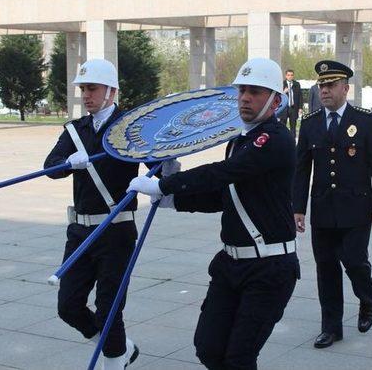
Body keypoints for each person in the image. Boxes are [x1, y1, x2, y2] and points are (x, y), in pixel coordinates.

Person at [128, 58, 299, 370]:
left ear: (276, 100)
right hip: (230, 265)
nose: (246, 97)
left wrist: (166, 185)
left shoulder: (275, 140)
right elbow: (227, 195)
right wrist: (173, 200)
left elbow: (224, 173)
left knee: (238, 358)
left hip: (269, 269)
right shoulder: (240, 141)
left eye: (256, 92)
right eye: (242, 90)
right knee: (208, 348)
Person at [44, 59, 140, 370]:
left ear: (112, 91)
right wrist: (68, 162)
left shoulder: (129, 128)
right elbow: (50, 167)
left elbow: (153, 159)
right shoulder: (75, 131)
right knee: (68, 305)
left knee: (109, 306)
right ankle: (120, 347)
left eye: (92, 88)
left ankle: (114, 360)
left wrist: (164, 169)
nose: (86, 95)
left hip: (115, 231)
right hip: (81, 232)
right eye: (83, 89)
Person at [293, 60, 372, 349]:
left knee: (354, 261)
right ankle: (331, 327)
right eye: (321, 85)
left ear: (345, 88)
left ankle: (367, 298)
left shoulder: (365, 121)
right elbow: (302, 169)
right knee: (326, 268)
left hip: (356, 208)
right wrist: (297, 208)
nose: (324, 90)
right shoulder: (311, 123)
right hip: (323, 210)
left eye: (330, 85)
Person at [279, 69, 303, 139]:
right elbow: (277, 96)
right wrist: (284, 92)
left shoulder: (296, 84)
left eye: (291, 75)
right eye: (288, 75)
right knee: (282, 126)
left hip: (293, 108)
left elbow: (300, 96)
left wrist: (300, 107)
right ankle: (282, 140)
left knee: (293, 126)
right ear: (286, 76)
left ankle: (292, 142)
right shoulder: (282, 84)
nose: (290, 76)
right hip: (284, 108)